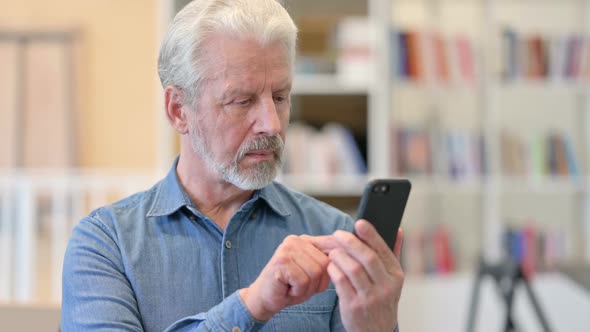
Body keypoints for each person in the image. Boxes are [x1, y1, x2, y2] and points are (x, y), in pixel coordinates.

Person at [61, 0, 404, 331]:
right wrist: (253, 305)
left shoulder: (332, 233)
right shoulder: (106, 246)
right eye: (242, 101)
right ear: (178, 110)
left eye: (280, 97)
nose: (271, 124)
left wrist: (376, 329)